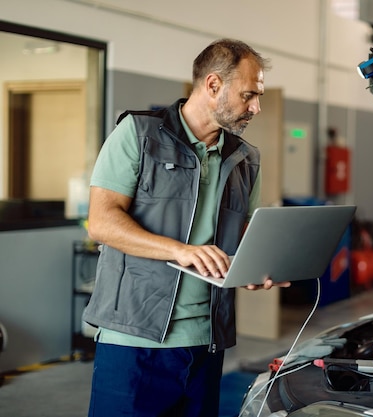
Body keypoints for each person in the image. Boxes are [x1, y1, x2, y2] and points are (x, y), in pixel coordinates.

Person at [83, 38, 286, 417]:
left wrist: (255, 265)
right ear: (212, 86)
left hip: (207, 342)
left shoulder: (246, 158)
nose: (256, 107)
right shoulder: (138, 135)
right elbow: (103, 222)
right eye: (249, 95)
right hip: (134, 340)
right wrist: (180, 250)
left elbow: (242, 235)